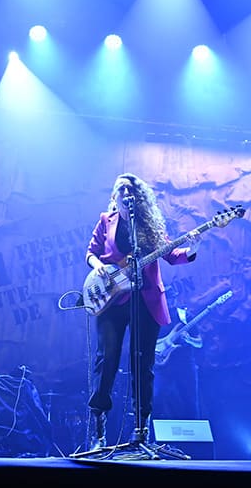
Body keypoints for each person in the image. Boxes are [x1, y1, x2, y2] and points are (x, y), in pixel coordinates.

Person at [84, 173, 199, 450]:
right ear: (114, 196)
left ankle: (141, 429)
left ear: (138, 196)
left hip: (145, 300)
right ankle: (99, 429)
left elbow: (171, 255)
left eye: (130, 188)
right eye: (120, 189)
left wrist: (193, 247)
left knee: (142, 365)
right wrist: (97, 264)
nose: (125, 192)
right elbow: (90, 251)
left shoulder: (147, 224)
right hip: (110, 299)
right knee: (107, 360)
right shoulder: (105, 221)